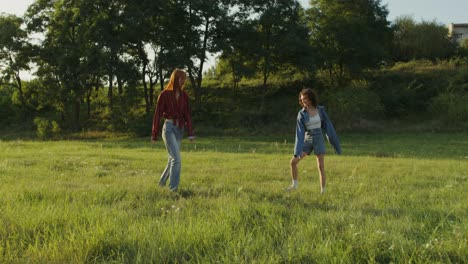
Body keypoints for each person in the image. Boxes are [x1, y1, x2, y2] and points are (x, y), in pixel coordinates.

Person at [288, 88, 341, 194]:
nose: (304, 102)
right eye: (302, 100)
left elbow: (328, 127)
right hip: (307, 139)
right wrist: (297, 151)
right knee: (293, 162)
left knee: (321, 166)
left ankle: (323, 191)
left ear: (311, 99)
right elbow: (299, 133)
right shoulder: (301, 114)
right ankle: (294, 185)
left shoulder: (320, 110)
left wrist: (335, 144)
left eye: (305, 99)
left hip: (318, 138)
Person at [152, 69, 194, 192]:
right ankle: (173, 190)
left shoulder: (184, 95)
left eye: (185, 79)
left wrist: (190, 133)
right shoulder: (164, 95)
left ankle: (161, 183)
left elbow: (187, 114)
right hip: (169, 128)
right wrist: (154, 133)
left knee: (172, 159)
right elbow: (157, 114)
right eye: (181, 78)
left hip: (180, 129)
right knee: (177, 159)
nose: (183, 81)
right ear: (175, 79)